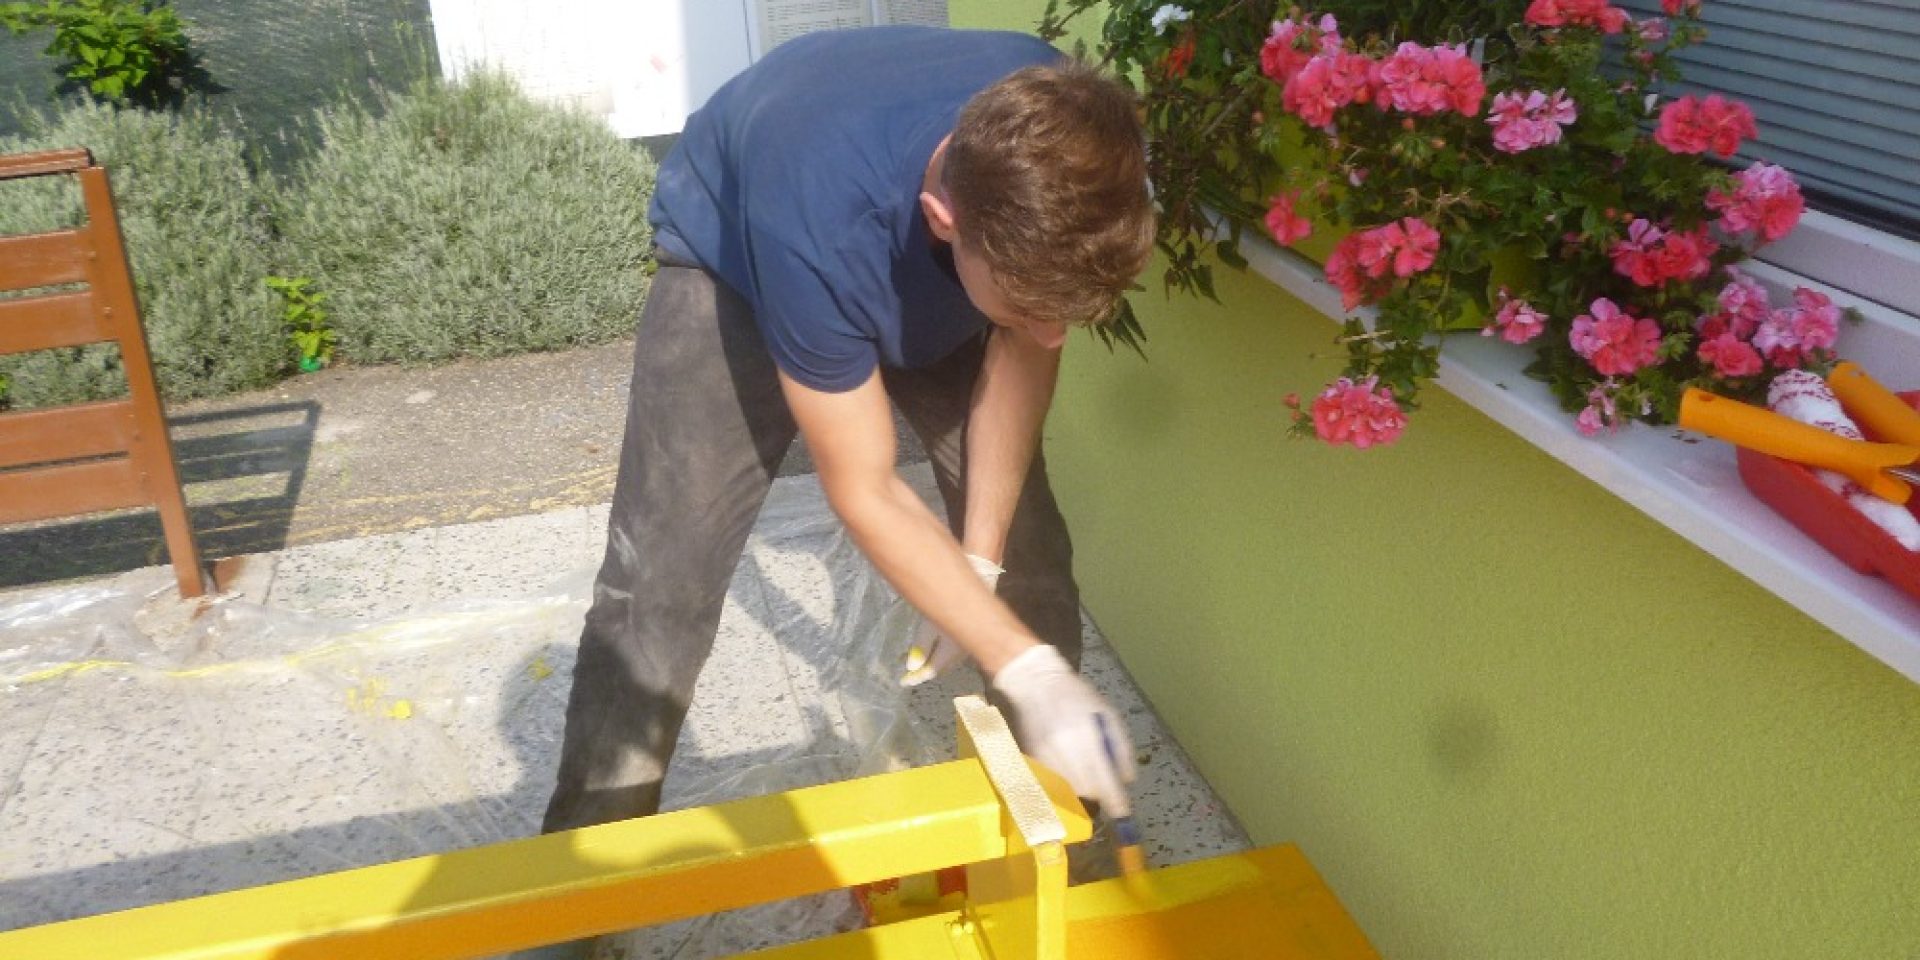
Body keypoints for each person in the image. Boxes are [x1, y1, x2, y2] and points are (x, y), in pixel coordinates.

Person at [538, 21, 1154, 875]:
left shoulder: (1074, 145)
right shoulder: (815, 219)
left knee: (1028, 557)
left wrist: (977, 567)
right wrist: (1026, 667)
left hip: (936, 251)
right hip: (738, 265)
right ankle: (580, 886)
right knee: (658, 594)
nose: (1057, 336)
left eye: (1070, 314)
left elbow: (1025, 348)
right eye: (1029, 308)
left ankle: (1057, 857)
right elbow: (863, 485)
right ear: (943, 219)